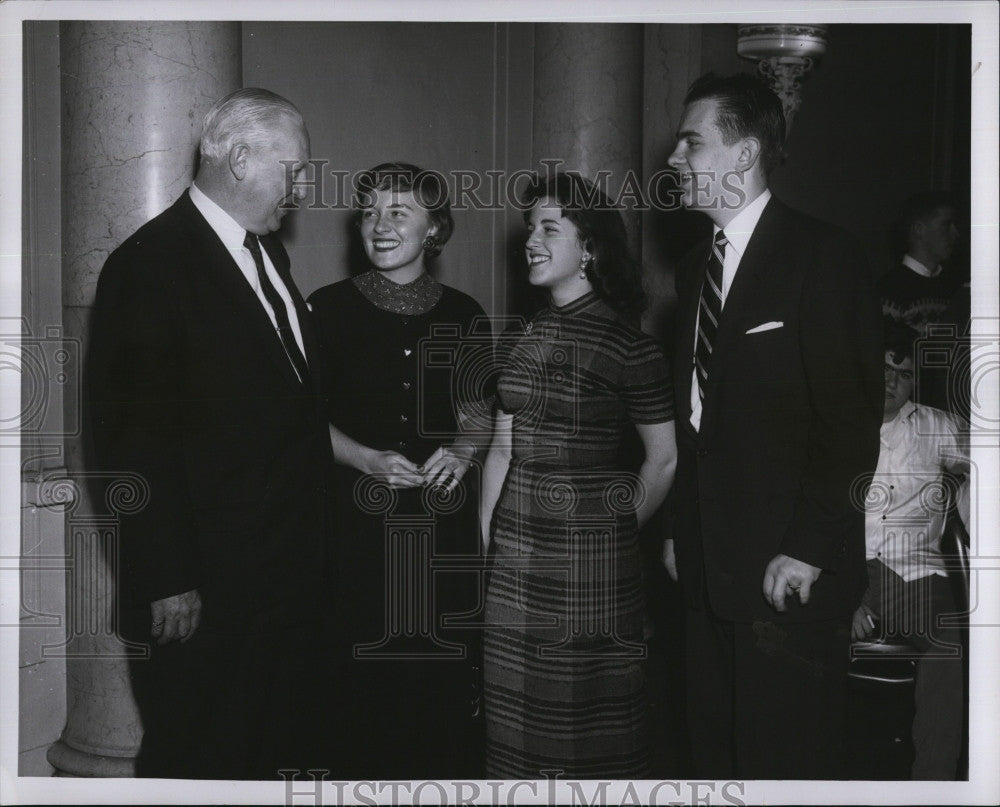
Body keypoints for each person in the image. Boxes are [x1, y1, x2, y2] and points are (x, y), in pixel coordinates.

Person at [84, 88, 334, 778]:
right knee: (201, 764)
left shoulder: (269, 258)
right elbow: (132, 438)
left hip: (279, 586)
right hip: (203, 598)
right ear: (242, 158)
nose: (305, 187)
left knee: (270, 759)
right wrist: (167, 578)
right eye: (297, 169)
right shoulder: (149, 264)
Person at [663, 73, 884, 779]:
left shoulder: (825, 256)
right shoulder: (695, 266)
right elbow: (695, 419)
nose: (673, 158)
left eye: (691, 142)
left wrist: (808, 550)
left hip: (788, 575)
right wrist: (675, 528)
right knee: (714, 754)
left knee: (786, 762)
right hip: (705, 566)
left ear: (743, 152)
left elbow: (850, 426)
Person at [481, 171, 677, 778]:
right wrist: (487, 543)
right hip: (514, 561)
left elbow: (663, 458)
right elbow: (501, 449)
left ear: (589, 247)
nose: (531, 241)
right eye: (528, 229)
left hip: (590, 569)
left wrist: (613, 529)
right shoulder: (523, 334)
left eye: (549, 228)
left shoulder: (630, 346)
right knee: (511, 729)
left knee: (586, 731)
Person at [307, 162, 490, 778]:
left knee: (435, 695)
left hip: (441, 533)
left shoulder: (466, 314)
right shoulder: (324, 310)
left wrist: (464, 452)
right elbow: (302, 422)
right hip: (353, 534)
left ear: (434, 229)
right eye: (369, 213)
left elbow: (478, 415)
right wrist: (364, 459)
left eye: (398, 212)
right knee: (356, 694)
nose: (379, 226)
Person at [853, 321, 968, 780]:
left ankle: (933, 783)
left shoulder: (934, 425)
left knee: (949, 646)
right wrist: (849, 596)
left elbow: (986, 464)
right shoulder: (836, 421)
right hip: (845, 567)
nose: (890, 382)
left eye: (902, 373)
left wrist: (959, 493)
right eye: (882, 367)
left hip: (915, 573)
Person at [879, 191, 967, 411]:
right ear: (919, 229)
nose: (955, 234)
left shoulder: (956, 290)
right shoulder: (889, 290)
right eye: (946, 225)